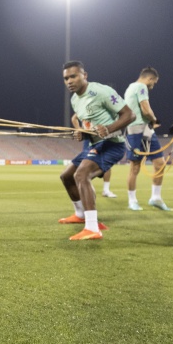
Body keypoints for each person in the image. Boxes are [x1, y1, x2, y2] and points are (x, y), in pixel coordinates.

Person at [58, 61, 135, 240]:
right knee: (66, 176)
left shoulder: (102, 91)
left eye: (73, 76)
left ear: (85, 75)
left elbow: (129, 115)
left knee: (81, 175)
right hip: (94, 144)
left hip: (112, 144)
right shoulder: (75, 100)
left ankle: (92, 228)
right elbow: (89, 126)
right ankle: (80, 215)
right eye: (66, 78)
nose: (69, 81)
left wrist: (109, 128)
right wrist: (82, 134)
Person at [124, 67, 172, 211]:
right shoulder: (141, 86)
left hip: (146, 130)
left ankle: (156, 198)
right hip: (136, 130)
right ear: (150, 79)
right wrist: (155, 119)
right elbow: (145, 109)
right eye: (154, 82)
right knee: (135, 167)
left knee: (159, 163)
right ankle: (132, 201)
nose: (153, 86)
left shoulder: (130, 87)